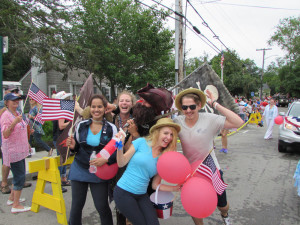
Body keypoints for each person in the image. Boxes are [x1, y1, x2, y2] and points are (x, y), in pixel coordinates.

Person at [174, 88, 244, 225]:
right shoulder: (177, 122)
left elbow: (238, 122)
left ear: (199, 105)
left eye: (192, 106)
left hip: (211, 169)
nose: (188, 110)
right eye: (184, 107)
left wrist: (214, 104)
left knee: (222, 205)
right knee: (194, 206)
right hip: (191, 173)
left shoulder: (210, 119)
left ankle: (225, 215)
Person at [114, 118, 181, 225]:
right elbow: (121, 163)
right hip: (124, 192)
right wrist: (119, 146)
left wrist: (175, 188)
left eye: (172, 135)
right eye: (166, 133)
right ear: (157, 132)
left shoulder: (163, 157)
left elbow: (155, 185)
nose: (169, 137)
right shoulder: (141, 142)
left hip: (141, 195)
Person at [66, 94, 117, 225]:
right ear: (90, 108)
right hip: (79, 168)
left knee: (102, 207)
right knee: (76, 206)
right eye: (93, 106)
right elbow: (77, 148)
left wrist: (105, 160)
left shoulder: (111, 128)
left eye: (99, 106)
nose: (96, 110)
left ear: (105, 108)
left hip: (99, 171)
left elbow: (116, 151)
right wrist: (73, 146)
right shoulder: (81, 125)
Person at [0, 93, 31, 213]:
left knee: (18, 175)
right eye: (13, 100)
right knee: (20, 177)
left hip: (21, 150)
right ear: (7, 102)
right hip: (13, 151)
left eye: (17, 100)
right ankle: (16, 205)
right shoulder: (6, 116)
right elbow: (5, 134)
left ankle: (12, 198)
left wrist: (27, 142)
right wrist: (14, 123)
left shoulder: (17, 113)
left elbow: (21, 129)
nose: (16, 102)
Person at [111, 91, 136, 225]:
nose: (124, 103)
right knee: (117, 196)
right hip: (112, 163)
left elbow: (135, 145)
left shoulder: (136, 120)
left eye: (127, 101)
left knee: (129, 196)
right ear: (117, 103)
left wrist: (132, 134)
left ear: (132, 104)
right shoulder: (112, 118)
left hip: (130, 163)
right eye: (122, 100)